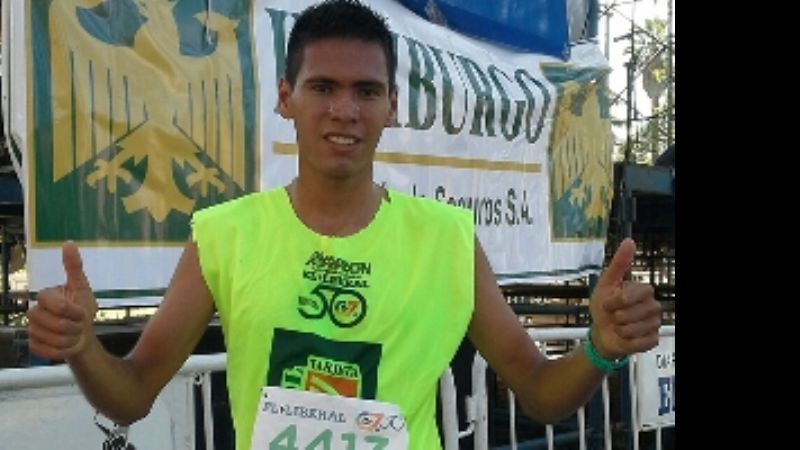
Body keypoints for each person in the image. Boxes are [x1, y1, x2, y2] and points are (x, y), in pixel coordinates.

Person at [26, 1, 662, 449]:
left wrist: (599, 349)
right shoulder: (224, 234)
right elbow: (132, 393)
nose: (344, 110)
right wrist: (83, 349)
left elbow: (541, 392)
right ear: (286, 97)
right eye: (322, 86)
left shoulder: (446, 240)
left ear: (391, 104)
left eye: (365, 90)